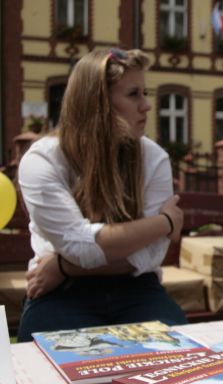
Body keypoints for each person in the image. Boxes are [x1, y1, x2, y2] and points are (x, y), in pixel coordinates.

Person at [16, 48, 187, 342]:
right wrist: (165, 223)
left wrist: (61, 266)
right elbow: (81, 247)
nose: (146, 106)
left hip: (135, 289)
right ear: (97, 103)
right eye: (133, 94)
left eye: (144, 93)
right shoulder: (42, 160)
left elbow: (149, 255)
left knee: (183, 364)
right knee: (45, 378)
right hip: (60, 296)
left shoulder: (154, 157)